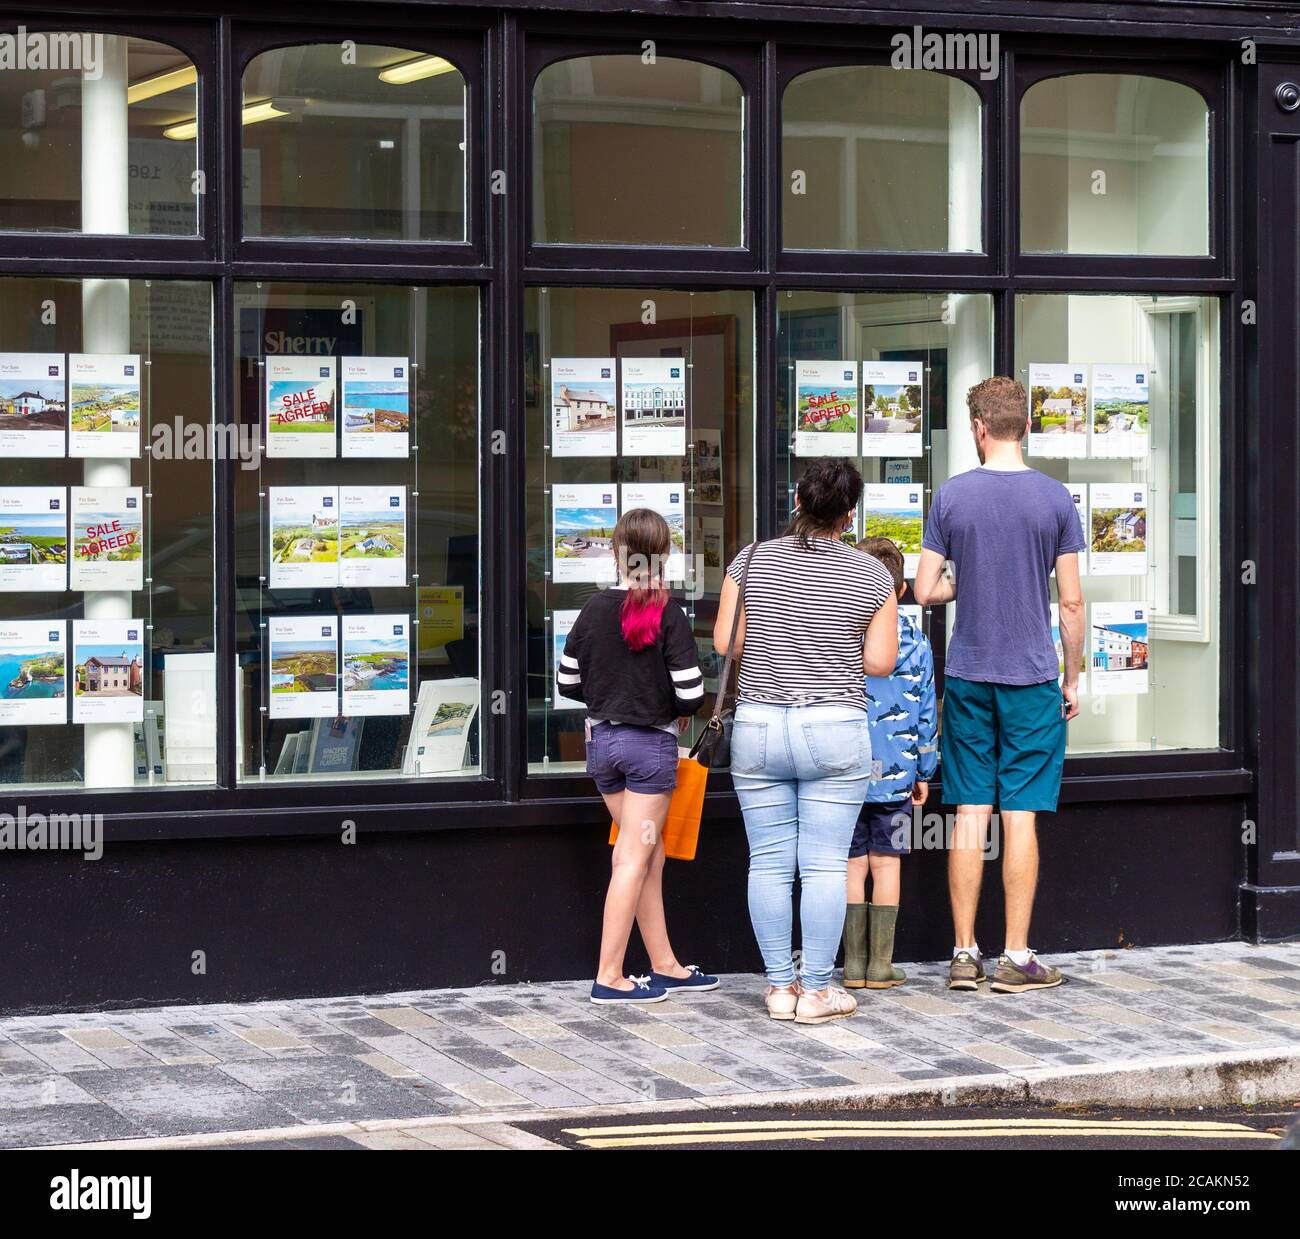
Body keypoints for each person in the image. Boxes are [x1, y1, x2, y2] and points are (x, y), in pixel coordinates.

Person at [914, 376, 1086, 994]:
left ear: (979, 429)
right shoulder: (1055, 499)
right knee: (1020, 819)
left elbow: (924, 589)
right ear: (1025, 427)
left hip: (967, 676)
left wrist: (969, 583)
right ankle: (1016, 957)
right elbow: (1070, 604)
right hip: (1032, 679)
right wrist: (1072, 676)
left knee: (967, 817)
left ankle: (964, 954)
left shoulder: (953, 497)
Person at [715, 459, 899, 1025]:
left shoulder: (750, 559)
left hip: (760, 726)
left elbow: (727, 640)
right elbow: (881, 661)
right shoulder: (874, 574)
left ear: (797, 501)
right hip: (833, 727)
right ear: (850, 514)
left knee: (769, 863)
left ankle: (778, 988)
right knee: (823, 866)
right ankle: (817, 992)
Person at [559, 508, 718, 1004]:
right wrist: (652, 701)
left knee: (647, 855)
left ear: (615, 552)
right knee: (632, 858)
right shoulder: (668, 614)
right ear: (665, 555)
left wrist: (612, 694)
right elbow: (692, 694)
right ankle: (608, 976)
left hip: (602, 749)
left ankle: (665, 964)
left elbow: (567, 684)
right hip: (649, 752)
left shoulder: (591, 611)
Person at [842, 537, 937, 991]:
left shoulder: (842, 632)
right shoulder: (917, 641)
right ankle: (882, 965)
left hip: (845, 773)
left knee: (850, 865)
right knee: (888, 865)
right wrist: (925, 771)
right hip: (897, 777)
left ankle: (853, 966)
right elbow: (925, 714)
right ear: (900, 589)